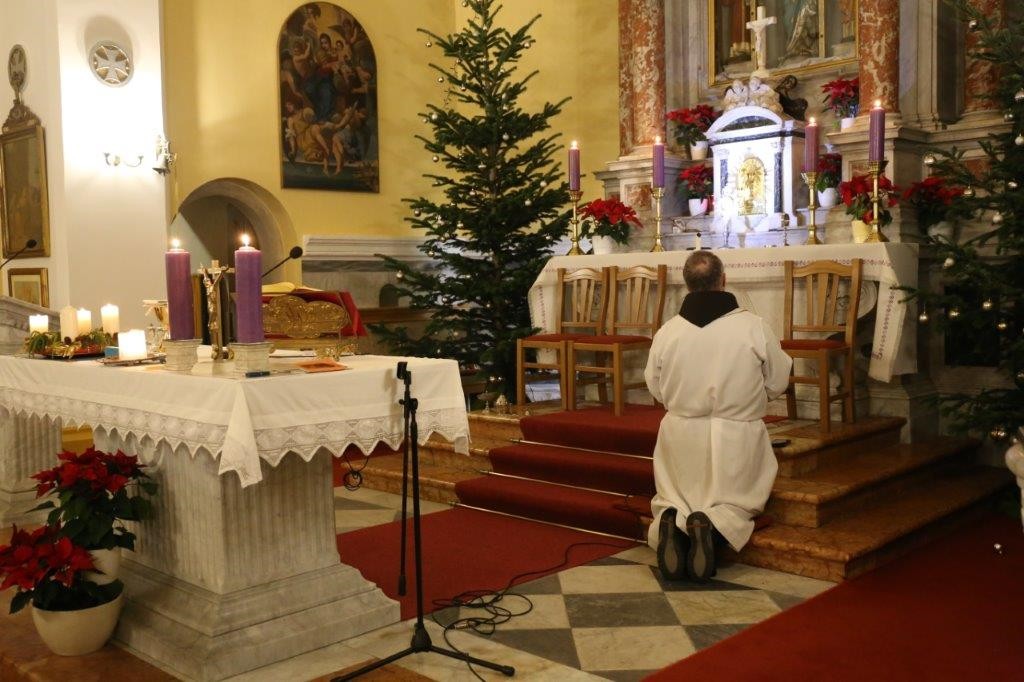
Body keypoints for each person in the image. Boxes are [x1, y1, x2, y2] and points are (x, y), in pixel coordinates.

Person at [644, 251, 792, 582]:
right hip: (737, 437)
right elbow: (778, 380)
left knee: (675, 495)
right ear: (723, 280)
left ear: (687, 285)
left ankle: (673, 520)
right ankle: (711, 527)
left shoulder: (668, 331)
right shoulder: (753, 326)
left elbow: (655, 386)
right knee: (737, 503)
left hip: (680, 435)